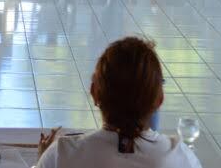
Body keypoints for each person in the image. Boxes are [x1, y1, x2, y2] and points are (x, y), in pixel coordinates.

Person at [36, 37, 198, 168]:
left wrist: (41, 160)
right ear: (159, 100)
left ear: (94, 92)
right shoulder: (182, 158)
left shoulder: (61, 155)